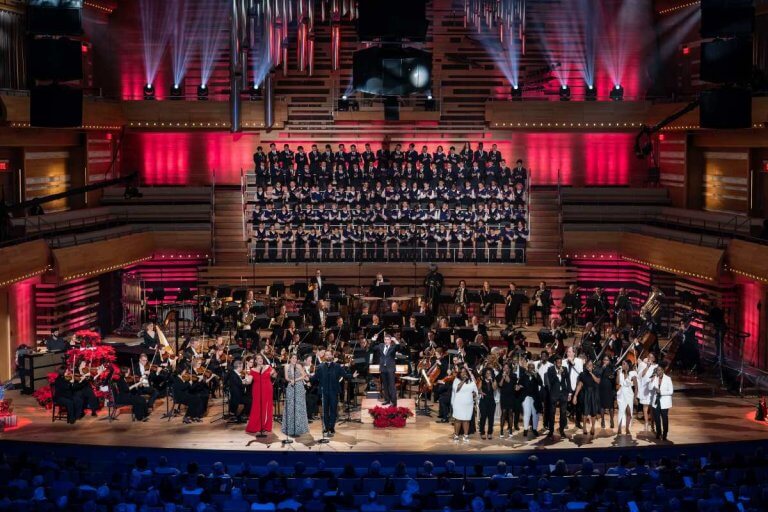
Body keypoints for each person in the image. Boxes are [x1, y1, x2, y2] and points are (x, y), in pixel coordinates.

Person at [311, 352, 355, 436]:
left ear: (332, 356)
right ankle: (326, 427)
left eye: (329, 354)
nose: (328, 356)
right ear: (324, 357)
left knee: (333, 410)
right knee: (325, 411)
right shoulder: (320, 367)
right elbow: (315, 377)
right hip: (324, 392)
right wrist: (308, 378)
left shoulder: (337, 366)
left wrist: (352, 375)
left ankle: (331, 427)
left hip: (333, 391)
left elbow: (344, 375)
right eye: (326, 355)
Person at [246, 353, 277, 434]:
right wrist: (245, 380)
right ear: (255, 361)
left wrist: (274, 372)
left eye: (261, 358)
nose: (260, 359)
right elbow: (249, 381)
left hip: (267, 388)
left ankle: (265, 426)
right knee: (257, 407)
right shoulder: (253, 370)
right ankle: (256, 426)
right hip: (257, 390)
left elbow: (274, 376)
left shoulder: (268, 367)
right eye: (258, 358)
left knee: (267, 406)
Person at [282, 353, 310, 438]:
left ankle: (299, 428)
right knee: (290, 407)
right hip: (290, 387)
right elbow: (286, 377)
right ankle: (290, 429)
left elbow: (303, 376)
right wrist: (291, 380)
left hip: (299, 387)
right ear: (290, 359)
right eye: (293, 358)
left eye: (295, 358)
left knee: (299, 407)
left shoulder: (299, 366)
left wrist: (295, 380)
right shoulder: (286, 366)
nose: (294, 359)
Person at [572, 359, 602, 436]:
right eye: (588, 365)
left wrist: (591, 373)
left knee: (593, 412)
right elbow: (579, 385)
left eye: (590, 365)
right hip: (585, 394)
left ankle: (593, 427)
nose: (589, 366)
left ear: (593, 366)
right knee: (585, 412)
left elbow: (598, 381)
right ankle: (584, 427)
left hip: (594, 394)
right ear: (585, 366)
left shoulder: (596, 373)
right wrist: (575, 396)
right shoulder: (582, 374)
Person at [372, 334, 403, 406]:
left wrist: (395, 340)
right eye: (385, 340)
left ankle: (394, 402)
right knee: (385, 385)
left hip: (390, 369)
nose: (386, 341)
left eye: (388, 340)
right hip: (383, 369)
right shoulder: (381, 346)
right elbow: (373, 348)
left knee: (391, 386)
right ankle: (387, 400)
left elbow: (399, 348)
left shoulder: (393, 347)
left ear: (390, 340)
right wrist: (374, 339)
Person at [546, 355, 571, 439]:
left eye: (561, 362)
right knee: (552, 412)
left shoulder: (565, 369)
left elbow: (568, 381)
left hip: (563, 393)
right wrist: (558, 374)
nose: (560, 364)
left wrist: (569, 393)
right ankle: (551, 431)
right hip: (554, 393)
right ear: (555, 363)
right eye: (558, 362)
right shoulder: (550, 370)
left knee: (563, 413)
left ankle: (562, 430)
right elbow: (551, 381)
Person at [451, 366, 477, 442]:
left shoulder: (471, 381)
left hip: (468, 404)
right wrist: (464, 380)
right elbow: (457, 388)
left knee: (466, 420)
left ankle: (465, 436)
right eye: (462, 372)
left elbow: (475, 390)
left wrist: (474, 394)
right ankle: (456, 436)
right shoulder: (456, 380)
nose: (463, 373)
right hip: (458, 403)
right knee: (458, 420)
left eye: (465, 372)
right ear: (459, 373)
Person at [650, 363, 673, 441]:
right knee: (657, 419)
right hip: (656, 402)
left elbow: (671, 391)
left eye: (659, 370)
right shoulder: (655, 378)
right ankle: (658, 432)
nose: (658, 371)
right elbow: (650, 388)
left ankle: (665, 433)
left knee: (664, 419)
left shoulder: (668, 379)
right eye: (657, 370)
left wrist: (661, 392)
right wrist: (652, 380)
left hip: (664, 402)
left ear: (663, 371)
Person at [615, 359, 638, 437]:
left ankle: (627, 428)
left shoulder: (632, 373)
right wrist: (618, 374)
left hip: (629, 394)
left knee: (629, 412)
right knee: (621, 411)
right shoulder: (620, 373)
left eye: (624, 364)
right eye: (622, 364)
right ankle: (619, 428)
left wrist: (635, 397)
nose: (622, 365)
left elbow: (636, 387)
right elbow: (617, 382)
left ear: (628, 365)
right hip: (621, 393)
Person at [637, 351, 658, 433]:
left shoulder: (656, 366)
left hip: (652, 389)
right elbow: (641, 375)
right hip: (645, 388)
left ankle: (652, 423)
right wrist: (647, 367)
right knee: (645, 407)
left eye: (651, 357)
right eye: (649, 356)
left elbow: (656, 376)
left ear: (654, 358)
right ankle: (646, 423)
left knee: (652, 407)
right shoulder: (644, 365)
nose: (649, 358)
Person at [519, 361, 541, 438]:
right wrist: (519, 387)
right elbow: (519, 384)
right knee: (527, 413)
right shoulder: (523, 375)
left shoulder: (536, 375)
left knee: (535, 414)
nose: (531, 369)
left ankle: (534, 429)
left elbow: (540, 383)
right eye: (530, 368)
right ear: (527, 368)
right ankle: (525, 429)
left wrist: (536, 376)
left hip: (535, 397)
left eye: (533, 368)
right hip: (526, 396)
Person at [478, 367, 497, 440]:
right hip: (483, 401)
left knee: (491, 418)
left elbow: (495, 388)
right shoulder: (482, 381)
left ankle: (489, 433)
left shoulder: (494, 381)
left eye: (490, 373)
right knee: (483, 417)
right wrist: (481, 392)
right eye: (487, 373)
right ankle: (482, 432)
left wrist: (491, 381)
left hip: (491, 401)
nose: (488, 374)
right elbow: (478, 389)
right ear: (485, 374)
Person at [597, 354, 616, 430]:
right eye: (604, 360)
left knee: (611, 406)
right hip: (602, 388)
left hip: (609, 388)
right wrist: (602, 368)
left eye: (607, 360)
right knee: (602, 406)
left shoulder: (612, 368)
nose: (605, 361)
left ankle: (612, 420)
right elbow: (598, 374)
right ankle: (602, 421)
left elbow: (614, 377)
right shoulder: (600, 368)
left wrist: (612, 377)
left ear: (609, 361)